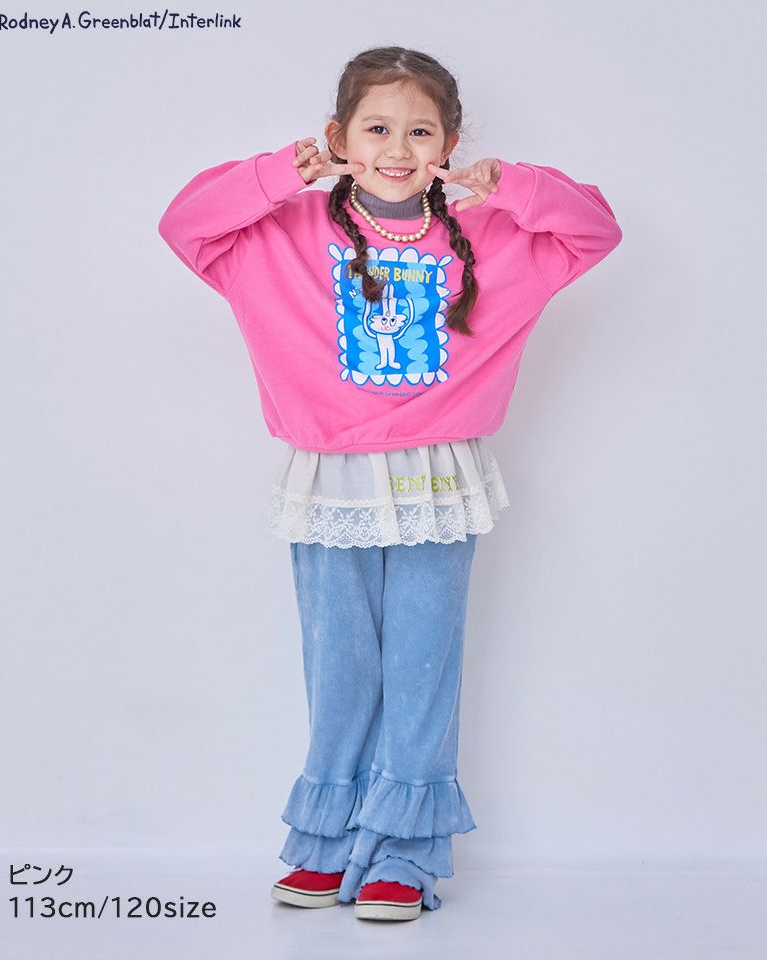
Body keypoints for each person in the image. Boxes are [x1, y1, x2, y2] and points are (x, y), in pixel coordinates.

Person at [157, 45, 622, 922]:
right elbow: (186, 224)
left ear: (449, 142)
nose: (398, 149)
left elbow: (595, 230)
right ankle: (328, 840)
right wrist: (280, 173)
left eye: (420, 131)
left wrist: (512, 186)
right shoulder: (281, 234)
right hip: (329, 479)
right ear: (340, 138)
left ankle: (404, 852)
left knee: (421, 663)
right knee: (339, 663)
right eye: (376, 129)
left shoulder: (490, 233)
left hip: (436, 478)